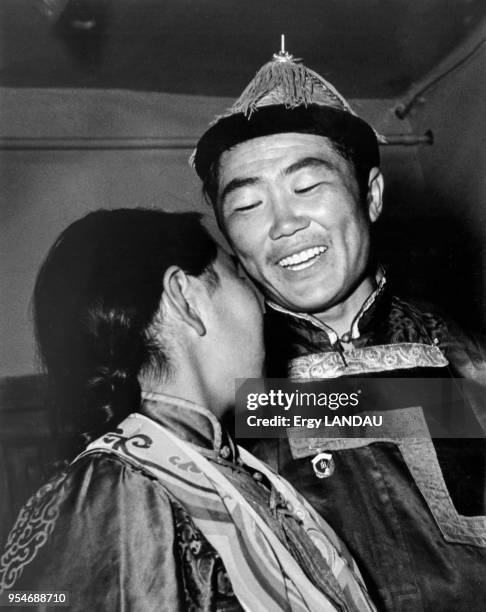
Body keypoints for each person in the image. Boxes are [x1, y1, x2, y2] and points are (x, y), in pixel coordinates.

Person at [192, 44, 486, 611]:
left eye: (307, 188)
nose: (283, 224)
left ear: (371, 195)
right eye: (247, 205)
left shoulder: (465, 358)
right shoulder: (221, 407)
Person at [0, 209, 375, 612]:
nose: (264, 306)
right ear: (185, 298)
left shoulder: (216, 460)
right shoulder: (117, 490)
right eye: (240, 277)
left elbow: (392, 410)